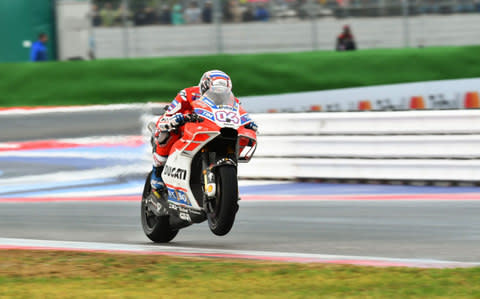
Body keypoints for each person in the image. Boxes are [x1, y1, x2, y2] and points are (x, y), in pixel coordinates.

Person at [150, 70, 258, 190]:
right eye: (214, 92)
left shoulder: (232, 101)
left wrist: (248, 123)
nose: (218, 95)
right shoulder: (187, 94)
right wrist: (175, 119)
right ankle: (158, 169)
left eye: (223, 92)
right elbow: (168, 115)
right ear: (204, 87)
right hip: (189, 128)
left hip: (212, 130)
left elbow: (240, 114)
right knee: (166, 133)